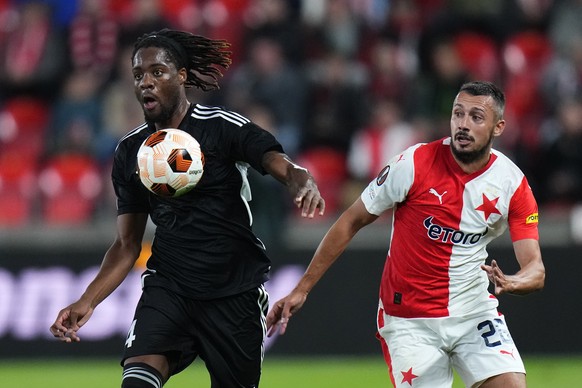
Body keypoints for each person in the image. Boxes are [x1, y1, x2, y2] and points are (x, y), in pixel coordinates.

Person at [49, 28, 325, 388]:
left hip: (234, 291)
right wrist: (88, 300)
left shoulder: (222, 127)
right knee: (136, 381)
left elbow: (279, 162)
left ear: (181, 76)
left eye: (157, 72)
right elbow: (126, 244)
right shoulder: (131, 151)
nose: (145, 83)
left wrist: (302, 182)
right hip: (170, 287)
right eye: (138, 75)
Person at [267, 81, 545, 388]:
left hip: (474, 311)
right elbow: (350, 221)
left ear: (498, 127)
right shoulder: (413, 164)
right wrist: (302, 288)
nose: (463, 125)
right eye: (458, 114)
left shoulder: (512, 184)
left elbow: (535, 267)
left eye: (476, 117)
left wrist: (515, 281)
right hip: (409, 319)